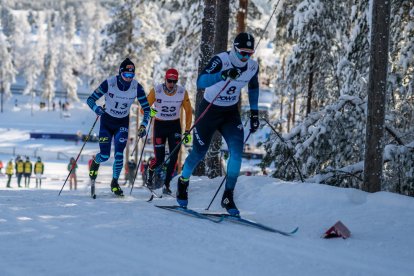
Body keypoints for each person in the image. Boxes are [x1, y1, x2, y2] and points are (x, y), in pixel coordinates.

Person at [176, 32, 260, 216]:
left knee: (237, 154)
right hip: (210, 109)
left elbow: (253, 87)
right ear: (234, 49)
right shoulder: (221, 60)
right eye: (242, 53)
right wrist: (222, 75)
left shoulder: (252, 67)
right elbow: (201, 81)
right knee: (199, 152)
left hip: (230, 113)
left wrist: (254, 113)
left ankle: (228, 196)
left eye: (249, 53)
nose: (246, 57)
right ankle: (183, 182)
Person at [86, 58, 150, 196]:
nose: (128, 78)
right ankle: (95, 163)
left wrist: (144, 125)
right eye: (126, 75)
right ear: (120, 73)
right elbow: (90, 99)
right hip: (107, 122)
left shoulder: (136, 87)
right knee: (104, 155)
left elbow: (147, 109)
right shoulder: (109, 83)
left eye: (131, 76)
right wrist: (96, 109)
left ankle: (114, 182)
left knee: (119, 155)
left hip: (122, 123)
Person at [144, 68, 193, 195]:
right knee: (159, 159)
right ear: (165, 79)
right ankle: (150, 171)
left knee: (173, 156)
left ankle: (167, 183)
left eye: (174, 81)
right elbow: (143, 109)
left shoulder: (182, 92)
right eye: (169, 81)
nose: (171, 84)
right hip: (160, 126)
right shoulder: (156, 91)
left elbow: (188, 111)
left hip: (174, 125)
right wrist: (151, 112)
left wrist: (187, 130)